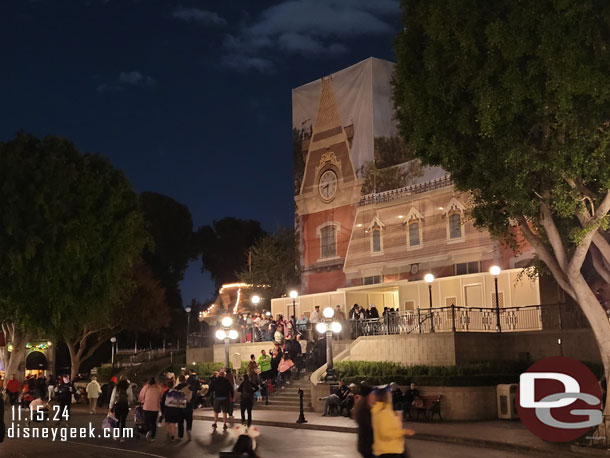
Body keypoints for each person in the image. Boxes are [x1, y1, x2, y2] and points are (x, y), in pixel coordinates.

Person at [371, 387, 415, 458]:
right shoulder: (384, 412)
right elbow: (385, 433)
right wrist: (403, 432)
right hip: (390, 450)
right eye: (389, 394)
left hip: (390, 449)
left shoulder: (382, 410)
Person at [139, 377, 162, 442]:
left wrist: (141, 401)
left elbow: (141, 396)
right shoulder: (158, 388)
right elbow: (160, 398)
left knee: (146, 421)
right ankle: (153, 436)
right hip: (155, 408)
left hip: (146, 407)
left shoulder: (146, 387)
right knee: (153, 423)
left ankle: (148, 430)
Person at [354, 385, 374, 458]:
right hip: (367, 446)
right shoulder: (364, 410)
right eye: (372, 394)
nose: (373, 396)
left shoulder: (363, 407)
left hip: (365, 445)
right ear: (368, 396)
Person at [111, 378, 132, 442]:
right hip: (125, 405)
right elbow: (131, 397)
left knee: (117, 420)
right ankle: (122, 437)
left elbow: (113, 397)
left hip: (117, 405)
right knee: (123, 421)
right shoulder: (128, 387)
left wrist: (110, 406)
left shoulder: (116, 387)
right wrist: (129, 402)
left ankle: (116, 435)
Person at [176, 374, 195, 440]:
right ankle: (188, 429)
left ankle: (180, 436)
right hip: (189, 405)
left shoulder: (177, 387)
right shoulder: (190, 386)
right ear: (185, 379)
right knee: (189, 419)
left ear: (179, 380)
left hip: (180, 405)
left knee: (180, 421)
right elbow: (194, 395)